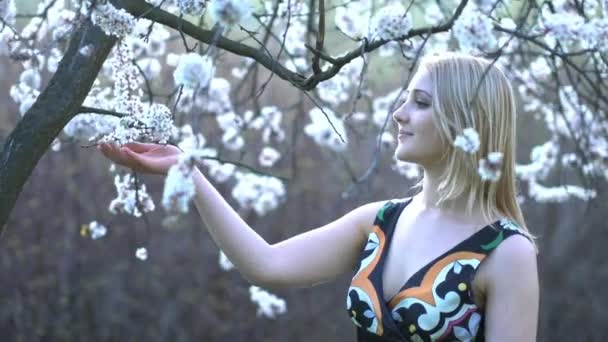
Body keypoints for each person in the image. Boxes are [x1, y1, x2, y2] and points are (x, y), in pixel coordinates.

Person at [98, 52, 539, 341]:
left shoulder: (505, 252)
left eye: (421, 103)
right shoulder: (380, 221)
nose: (399, 115)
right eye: (406, 100)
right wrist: (186, 171)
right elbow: (267, 264)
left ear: (467, 122)